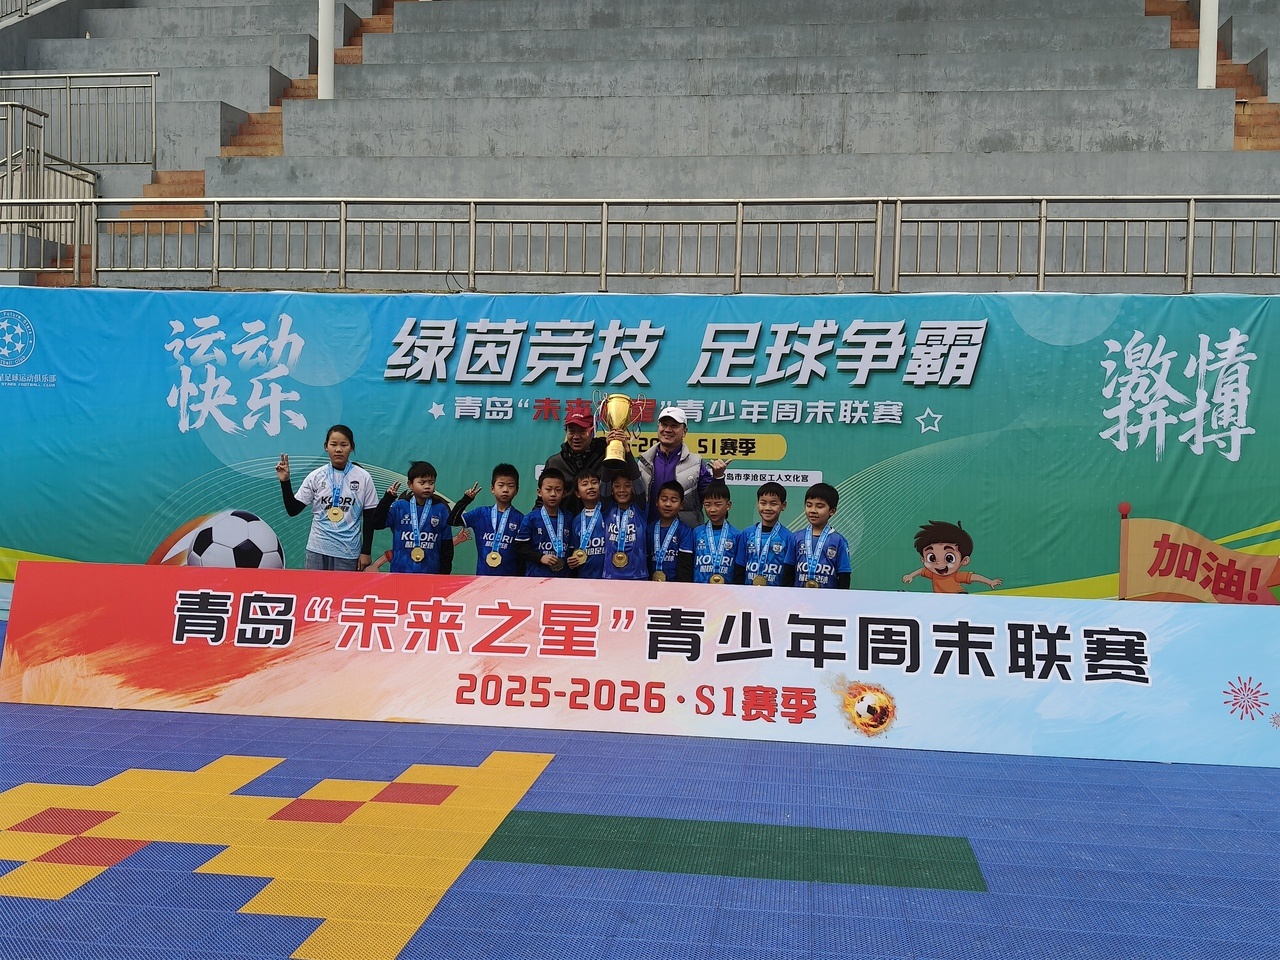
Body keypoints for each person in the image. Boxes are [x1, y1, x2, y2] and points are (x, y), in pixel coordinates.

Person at [275, 424, 377, 571]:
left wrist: (366, 551)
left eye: (344, 445)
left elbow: (370, 517)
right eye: (333, 444)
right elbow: (293, 509)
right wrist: (285, 482)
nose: (338, 449)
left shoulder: (363, 477)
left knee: (343, 587)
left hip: (348, 552)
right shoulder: (316, 476)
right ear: (326, 446)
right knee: (314, 587)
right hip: (317, 549)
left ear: (352, 447)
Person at [637, 406, 730, 529]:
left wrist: (718, 477)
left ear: (684, 431)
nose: (667, 430)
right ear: (658, 427)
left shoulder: (696, 463)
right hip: (647, 532)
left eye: (674, 426)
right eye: (664, 425)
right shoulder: (643, 462)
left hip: (685, 535)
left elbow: (711, 499)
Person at [543, 408, 640, 514]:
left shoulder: (609, 456)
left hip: (607, 521)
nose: (576, 437)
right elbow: (542, 501)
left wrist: (627, 452)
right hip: (567, 523)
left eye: (582, 431)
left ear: (592, 430)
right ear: (566, 432)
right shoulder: (554, 463)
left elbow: (635, 486)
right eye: (572, 431)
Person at [369, 461, 454, 574]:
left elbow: (447, 544)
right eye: (422, 482)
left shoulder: (441, 509)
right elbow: (376, 523)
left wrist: (444, 573)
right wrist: (387, 499)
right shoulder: (399, 507)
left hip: (431, 573)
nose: (427, 486)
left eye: (431, 482)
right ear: (410, 484)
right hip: (400, 572)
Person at [447, 463, 524, 576]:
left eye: (510, 486)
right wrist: (466, 499)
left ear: (516, 490)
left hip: (509, 580)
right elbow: (452, 521)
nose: (505, 490)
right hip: (482, 579)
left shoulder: (521, 519)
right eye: (501, 485)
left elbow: (523, 555)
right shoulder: (480, 514)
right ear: (492, 489)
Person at [902, 520, 1003, 593]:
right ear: (923, 560)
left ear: (964, 560)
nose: (939, 563)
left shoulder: (955, 576)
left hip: (959, 596)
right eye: (932, 558)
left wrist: (990, 582)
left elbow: (973, 577)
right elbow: (921, 571)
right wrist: (910, 576)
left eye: (949, 558)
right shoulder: (932, 574)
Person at [514, 467, 576, 577]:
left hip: (563, 579)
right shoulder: (530, 518)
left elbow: (571, 548)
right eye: (548, 489)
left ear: (564, 493)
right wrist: (540, 557)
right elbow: (520, 547)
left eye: (558, 490)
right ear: (539, 492)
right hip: (536, 578)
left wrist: (573, 559)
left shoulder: (569, 518)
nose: (553, 494)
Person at [733, 481, 796, 586]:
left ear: (783, 505)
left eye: (773, 504)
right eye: (763, 503)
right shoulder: (747, 534)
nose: (767, 508)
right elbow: (740, 568)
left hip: (777, 594)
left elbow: (788, 573)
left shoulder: (789, 537)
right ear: (758, 504)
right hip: (748, 593)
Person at [792, 482, 852, 589]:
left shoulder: (839, 541)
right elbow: (789, 571)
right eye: (809, 505)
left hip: (829, 598)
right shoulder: (796, 537)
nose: (813, 510)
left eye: (819, 506)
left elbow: (844, 576)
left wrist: (842, 598)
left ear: (832, 511)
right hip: (799, 597)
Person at [602, 473, 648, 580]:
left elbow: (639, 486)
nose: (622, 490)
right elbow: (604, 486)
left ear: (633, 489)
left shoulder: (640, 510)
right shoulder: (608, 510)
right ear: (611, 490)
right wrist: (608, 464)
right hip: (611, 576)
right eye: (617, 486)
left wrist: (630, 460)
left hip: (638, 576)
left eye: (628, 486)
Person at [692, 480, 739, 584]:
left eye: (718, 505)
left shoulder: (736, 535)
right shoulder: (696, 533)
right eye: (708, 505)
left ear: (728, 505)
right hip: (699, 589)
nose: (712, 509)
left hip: (728, 590)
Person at [648, 480, 694, 582]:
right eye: (664, 499)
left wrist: (681, 589)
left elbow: (685, 567)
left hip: (675, 587)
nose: (668, 504)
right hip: (650, 586)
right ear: (657, 502)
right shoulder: (649, 529)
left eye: (673, 501)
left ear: (681, 505)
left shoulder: (685, 531)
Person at [566, 471, 607, 579]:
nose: (590, 487)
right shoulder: (576, 521)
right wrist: (572, 562)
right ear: (577, 493)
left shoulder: (609, 513)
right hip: (585, 578)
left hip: (609, 578)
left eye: (594, 482)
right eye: (585, 484)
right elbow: (576, 552)